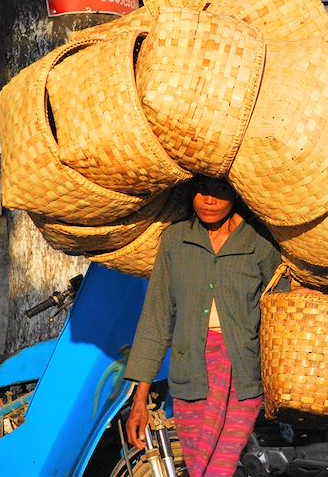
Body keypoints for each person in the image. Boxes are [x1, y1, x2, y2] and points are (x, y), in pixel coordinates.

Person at [124, 176, 283, 476]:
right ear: (189, 193)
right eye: (202, 191)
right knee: (199, 468)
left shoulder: (258, 243)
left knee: (217, 470)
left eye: (220, 191)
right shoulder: (176, 240)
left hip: (242, 377)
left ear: (237, 194)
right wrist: (140, 400)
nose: (209, 200)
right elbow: (155, 318)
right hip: (189, 376)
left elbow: (280, 306)